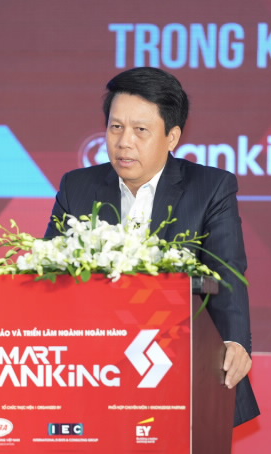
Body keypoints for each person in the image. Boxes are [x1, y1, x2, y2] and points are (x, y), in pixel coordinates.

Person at [44, 67, 259, 426]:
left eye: (140, 130)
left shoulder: (210, 188)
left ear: (171, 137)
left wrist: (235, 342)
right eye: (116, 127)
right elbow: (50, 275)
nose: (124, 141)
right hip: (94, 371)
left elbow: (226, 272)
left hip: (180, 363)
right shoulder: (77, 187)